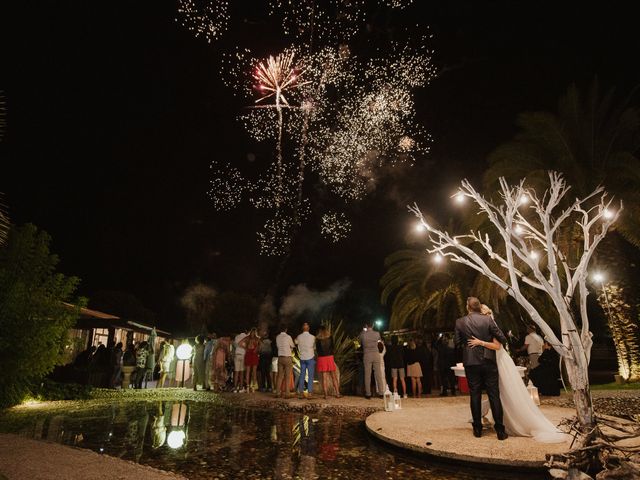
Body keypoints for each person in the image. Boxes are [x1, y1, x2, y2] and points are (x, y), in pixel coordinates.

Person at [459, 297, 568, 443]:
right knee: (494, 395)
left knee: (481, 394)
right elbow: (501, 339)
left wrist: (478, 343)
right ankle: (498, 429)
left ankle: (479, 428)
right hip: (490, 361)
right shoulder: (487, 322)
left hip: (482, 361)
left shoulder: (467, 322)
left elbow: (492, 344)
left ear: (469, 307)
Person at [359, 321, 385, 399]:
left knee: (367, 375)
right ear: (373, 325)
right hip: (376, 354)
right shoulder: (377, 334)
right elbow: (379, 341)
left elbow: (360, 338)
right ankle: (381, 393)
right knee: (378, 374)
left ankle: (368, 394)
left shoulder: (363, 334)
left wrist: (364, 330)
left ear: (366, 325)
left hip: (367, 355)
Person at [316, 325, 341, 399]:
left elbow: (317, 350)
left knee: (324, 377)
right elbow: (333, 347)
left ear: (320, 331)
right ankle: (337, 393)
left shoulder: (318, 340)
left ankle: (326, 395)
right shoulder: (330, 338)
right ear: (326, 330)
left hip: (322, 358)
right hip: (329, 357)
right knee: (334, 376)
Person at [295, 322, 316, 399]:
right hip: (310, 357)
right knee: (310, 376)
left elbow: (295, 342)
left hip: (302, 358)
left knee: (302, 375)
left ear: (302, 329)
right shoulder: (313, 337)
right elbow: (314, 348)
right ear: (309, 328)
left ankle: (301, 393)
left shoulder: (299, 337)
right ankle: (309, 393)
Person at [275, 323, 295, 399]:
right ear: (286, 330)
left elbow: (277, 346)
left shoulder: (277, 337)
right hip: (287, 357)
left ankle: (277, 392)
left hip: (280, 358)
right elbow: (292, 345)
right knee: (287, 376)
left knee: (279, 376)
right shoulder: (288, 337)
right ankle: (287, 393)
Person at [240, 328, 261, 392]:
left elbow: (260, 345)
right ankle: (248, 386)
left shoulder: (256, 339)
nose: (253, 334)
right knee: (248, 371)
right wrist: (245, 348)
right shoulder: (248, 338)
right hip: (249, 354)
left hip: (253, 354)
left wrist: (257, 349)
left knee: (253, 372)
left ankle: (252, 386)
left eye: (254, 333)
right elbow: (240, 343)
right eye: (252, 332)